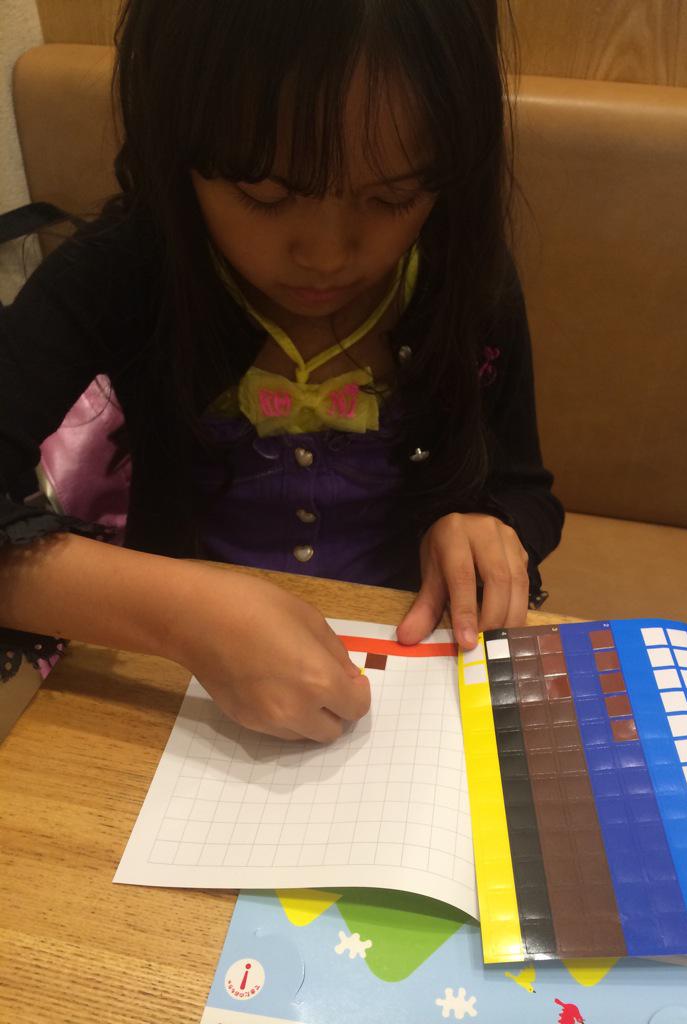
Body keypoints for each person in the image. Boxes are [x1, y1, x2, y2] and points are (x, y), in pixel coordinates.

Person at [0, 0, 564, 742]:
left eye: (392, 197)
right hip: (181, 689)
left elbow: (525, 488)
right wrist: (180, 611)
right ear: (176, 144)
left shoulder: (467, 278)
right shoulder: (125, 273)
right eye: (264, 196)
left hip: (413, 677)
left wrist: (494, 528)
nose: (327, 255)